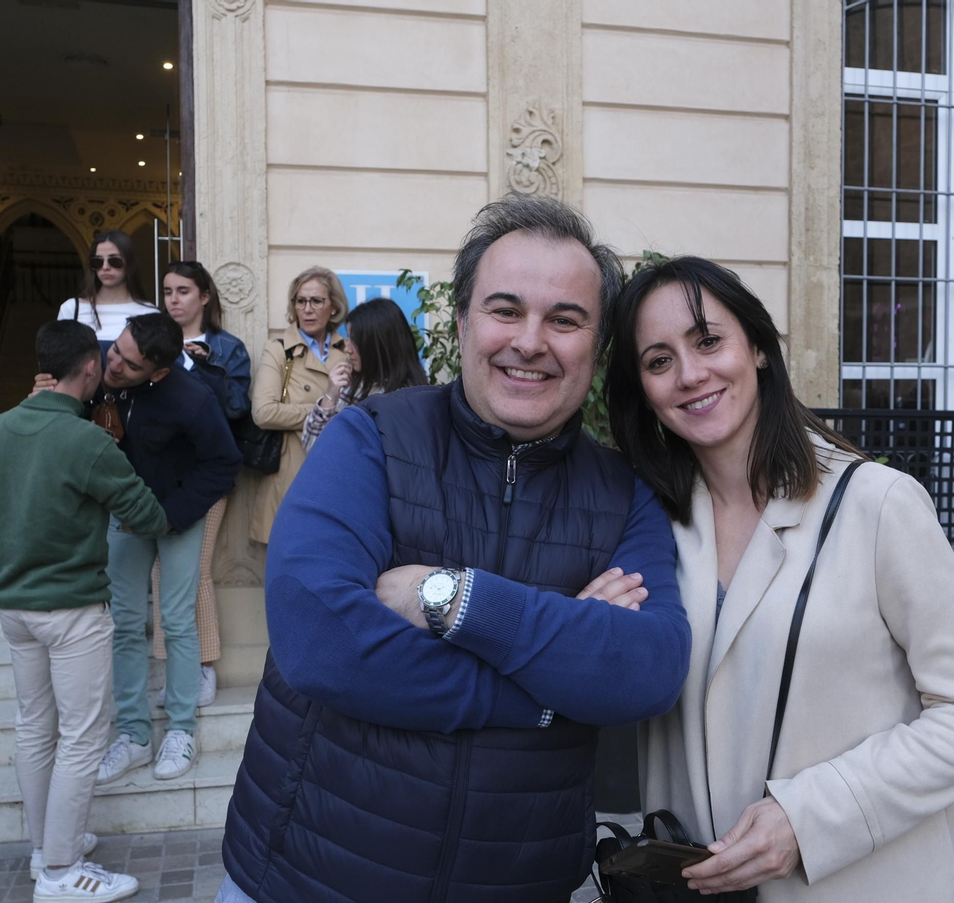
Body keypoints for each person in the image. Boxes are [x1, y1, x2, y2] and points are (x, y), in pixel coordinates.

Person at [216, 194, 692, 903]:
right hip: (309, 874)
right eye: (506, 310)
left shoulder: (624, 492)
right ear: (464, 320)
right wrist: (549, 685)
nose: (530, 340)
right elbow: (321, 637)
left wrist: (453, 597)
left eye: (565, 319)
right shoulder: (369, 438)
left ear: (596, 349)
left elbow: (648, 667)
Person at [606, 256, 954, 901]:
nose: (690, 374)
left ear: (760, 348)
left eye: (708, 340)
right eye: (658, 361)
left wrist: (811, 819)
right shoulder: (647, 527)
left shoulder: (877, 503)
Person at [0, 320, 166, 903]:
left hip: (13, 606)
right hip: (73, 607)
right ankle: (60, 873)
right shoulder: (86, 440)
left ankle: (46, 850)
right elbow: (149, 515)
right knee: (82, 738)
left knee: (35, 729)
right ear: (88, 368)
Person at [32, 313, 241, 785]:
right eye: (114, 352)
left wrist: (173, 515)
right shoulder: (98, 364)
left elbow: (224, 462)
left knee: (176, 617)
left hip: (175, 514)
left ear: (159, 371)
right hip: (124, 513)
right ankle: (134, 735)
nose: (113, 365)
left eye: (128, 363)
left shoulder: (192, 399)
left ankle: (182, 729)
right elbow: (72, 418)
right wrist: (48, 393)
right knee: (124, 621)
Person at [150, 261, 253, 708]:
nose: (174, 299)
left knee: (193, 570)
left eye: (184, 291)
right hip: (159, 475)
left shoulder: (228, 348)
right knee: (160, 574)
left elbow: (236, 411)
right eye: (168, 291)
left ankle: (204, 666)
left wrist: (200, 368)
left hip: (208, 475)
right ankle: (173, 669)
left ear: (205, 297)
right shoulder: (154, 346)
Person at [248, 266, 350, 544]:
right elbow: (263, 412)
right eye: (300, 301)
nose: (307, 309)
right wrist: (323, 409)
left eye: (316, 301)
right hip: (290, 470)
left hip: (339, 469)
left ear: (334, 306)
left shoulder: (348, 350)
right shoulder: (279, 349)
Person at [301, 296, 426, 451]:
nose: (347, 349)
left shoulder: (408, 400)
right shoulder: (355, 384)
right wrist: (330, 396)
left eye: (355, 341)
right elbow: (311, 447)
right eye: (348, 339)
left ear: (377, 345)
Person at [58, 229, 158, 348]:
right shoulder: (71, 309)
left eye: (114, 261)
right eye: (97, 262)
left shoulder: (150, 314)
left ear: (129, 263)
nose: (105, 267)